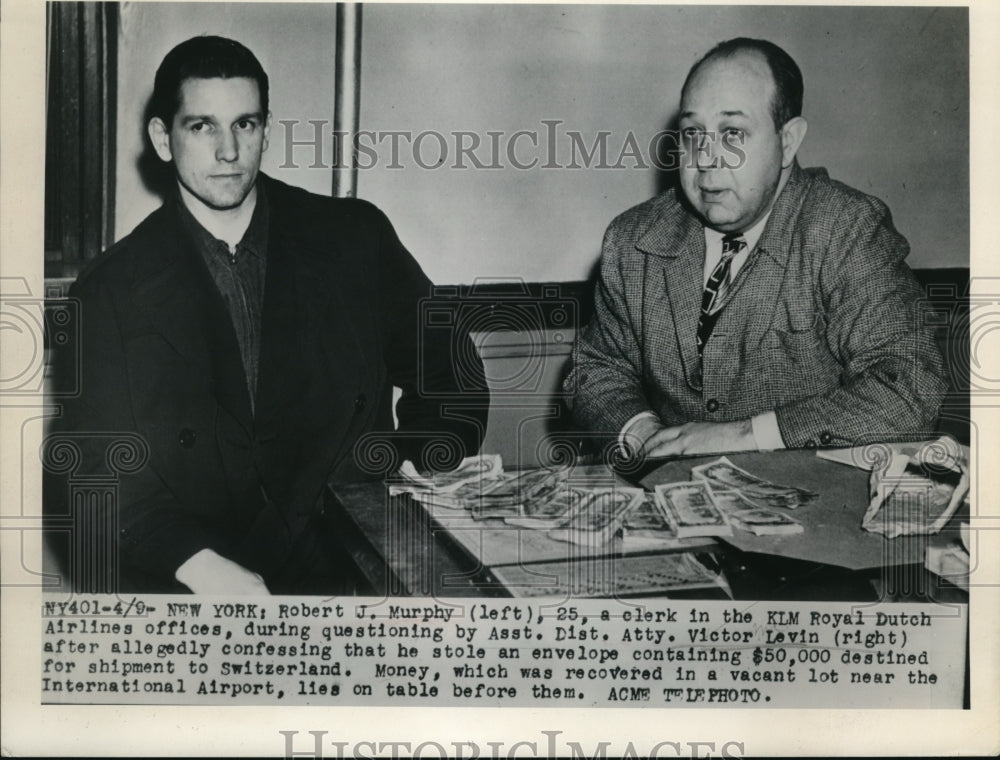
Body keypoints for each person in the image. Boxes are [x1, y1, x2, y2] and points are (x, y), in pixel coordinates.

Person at [46, 36, 489, 594]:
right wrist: (196, 563)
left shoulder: (354, 238)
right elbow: (95, 464)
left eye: (246, 125)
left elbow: (452, 376)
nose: (228, 151)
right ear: (163, 139)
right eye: (202, 126)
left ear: (266, 130)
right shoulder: (109, 288)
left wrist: (405, 479)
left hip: (347, 572)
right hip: (191, 583)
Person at [565, 37, 947, 460]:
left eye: (733, 133)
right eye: (693, 134)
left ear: (788, 141)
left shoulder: (847, 229)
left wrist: (746, 435)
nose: (706, 158)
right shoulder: (633, 238)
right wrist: (646, 436)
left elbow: (911, 388)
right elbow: (595, 369)